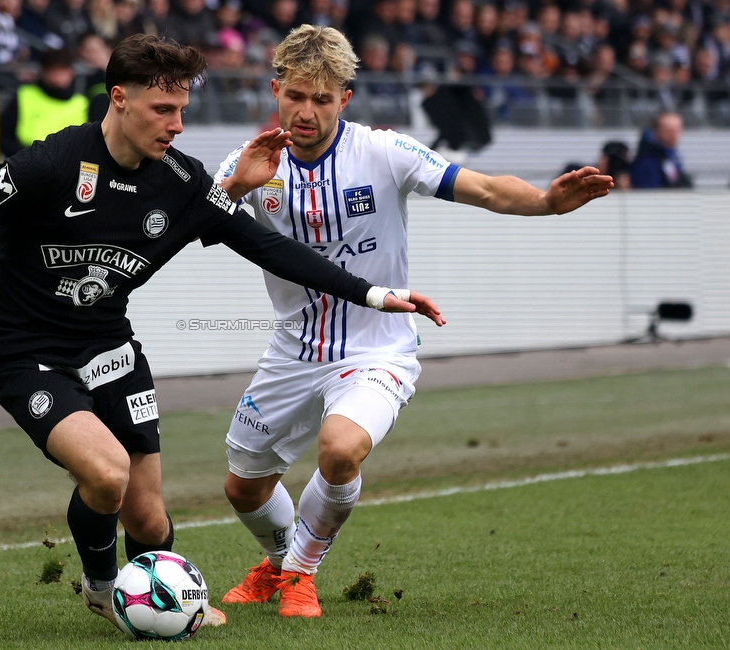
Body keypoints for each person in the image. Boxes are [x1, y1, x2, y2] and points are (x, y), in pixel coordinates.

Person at [0, 34, 438, 634]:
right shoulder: (47, 166)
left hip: (110, 346)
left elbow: (269, 249)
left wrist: (379, 296)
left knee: (150, 517)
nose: (177, 125)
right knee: (107, 476)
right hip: (23, 352)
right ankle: (106, 589)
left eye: (182, 109)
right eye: (163, 109)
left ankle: (157, 588)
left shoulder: (182, 183)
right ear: (119, 99)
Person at [212, 25, 613, 619]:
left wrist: (545, 203)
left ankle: (301, 571)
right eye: (296, 95)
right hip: (293, 352)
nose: (306, 111)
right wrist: (231, 188)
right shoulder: (248, 164)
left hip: (377, 349)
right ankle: (277, 563)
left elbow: (479, 186)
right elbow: (194, 226)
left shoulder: (382, 151)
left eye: (322, 99)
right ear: (276, 90)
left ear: (344, 99)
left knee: (340, 449)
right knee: (242, 486)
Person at [0, 47, 90, 158]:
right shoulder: (25, 95)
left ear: (71, 72)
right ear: (43, 72)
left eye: (62, 70)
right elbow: (4, 136)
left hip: (66, 168)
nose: (57, 76)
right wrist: (26, 159)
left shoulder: (82, 104)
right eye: (52, 70)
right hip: (26, 164)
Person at [629, 111, 693, 189]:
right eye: (668, 130)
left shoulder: (673, 158)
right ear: (656, 132)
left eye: (677, 130)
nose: (673, 135)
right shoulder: (647, 162)